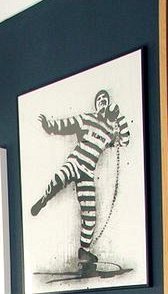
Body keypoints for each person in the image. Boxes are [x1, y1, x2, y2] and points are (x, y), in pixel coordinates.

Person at [30, 89, 130, 267]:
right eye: (100, 99)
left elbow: (125, 140)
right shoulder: (88, 119)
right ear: (96, 104)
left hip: (88, 172)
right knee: (61, 177)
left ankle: (84, 250)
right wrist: (49, 126)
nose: (103, 102)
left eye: (105, 99)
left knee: (90, 213)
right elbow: (66, 124)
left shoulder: (108, 132)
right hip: (76, 161)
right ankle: (45, 198)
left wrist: (119, 118)